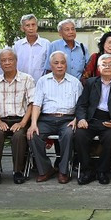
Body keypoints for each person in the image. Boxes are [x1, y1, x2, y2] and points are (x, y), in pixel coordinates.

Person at [27, 51, 83, 184]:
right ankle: (46, 169)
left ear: (66, 65)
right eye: (56, 63)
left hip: (67, 119)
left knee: (68, 135)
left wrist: (76, 120)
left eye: (62, 63)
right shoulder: (43, 81)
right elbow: (37, 104)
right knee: (33, 135)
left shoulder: (75, 82)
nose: (59, 66)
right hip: (46, 119)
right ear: (50, 65)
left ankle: (63, 171)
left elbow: (81, 106)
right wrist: (33, 123)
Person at [75, 54, 111, 185]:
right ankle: (87, 170)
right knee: (79, 135)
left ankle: (102, 171)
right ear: (99, 68)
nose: (107, 67)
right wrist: (81, 119)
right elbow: (82, 104)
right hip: (91, 119)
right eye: (104, 64)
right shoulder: (90, 83)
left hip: (109, 120)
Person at [0, 49, 35, 185]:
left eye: (10, 60)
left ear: (16, 61)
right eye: (3, 60)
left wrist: (22, 123)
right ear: (0, 64)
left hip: (20, 119)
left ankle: (17, 171)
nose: (7, 63)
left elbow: (32, 104)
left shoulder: (27, 79)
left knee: (19, 136)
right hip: (1, 120)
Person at [13, 14, 50, 81]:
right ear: (22, 28)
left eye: (33, 25)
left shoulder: (46, 44)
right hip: (21, 83)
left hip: (40, 83)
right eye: (27, 25)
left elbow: (49, 66)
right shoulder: (17, 45)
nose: (31, 28)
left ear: (37, 26)